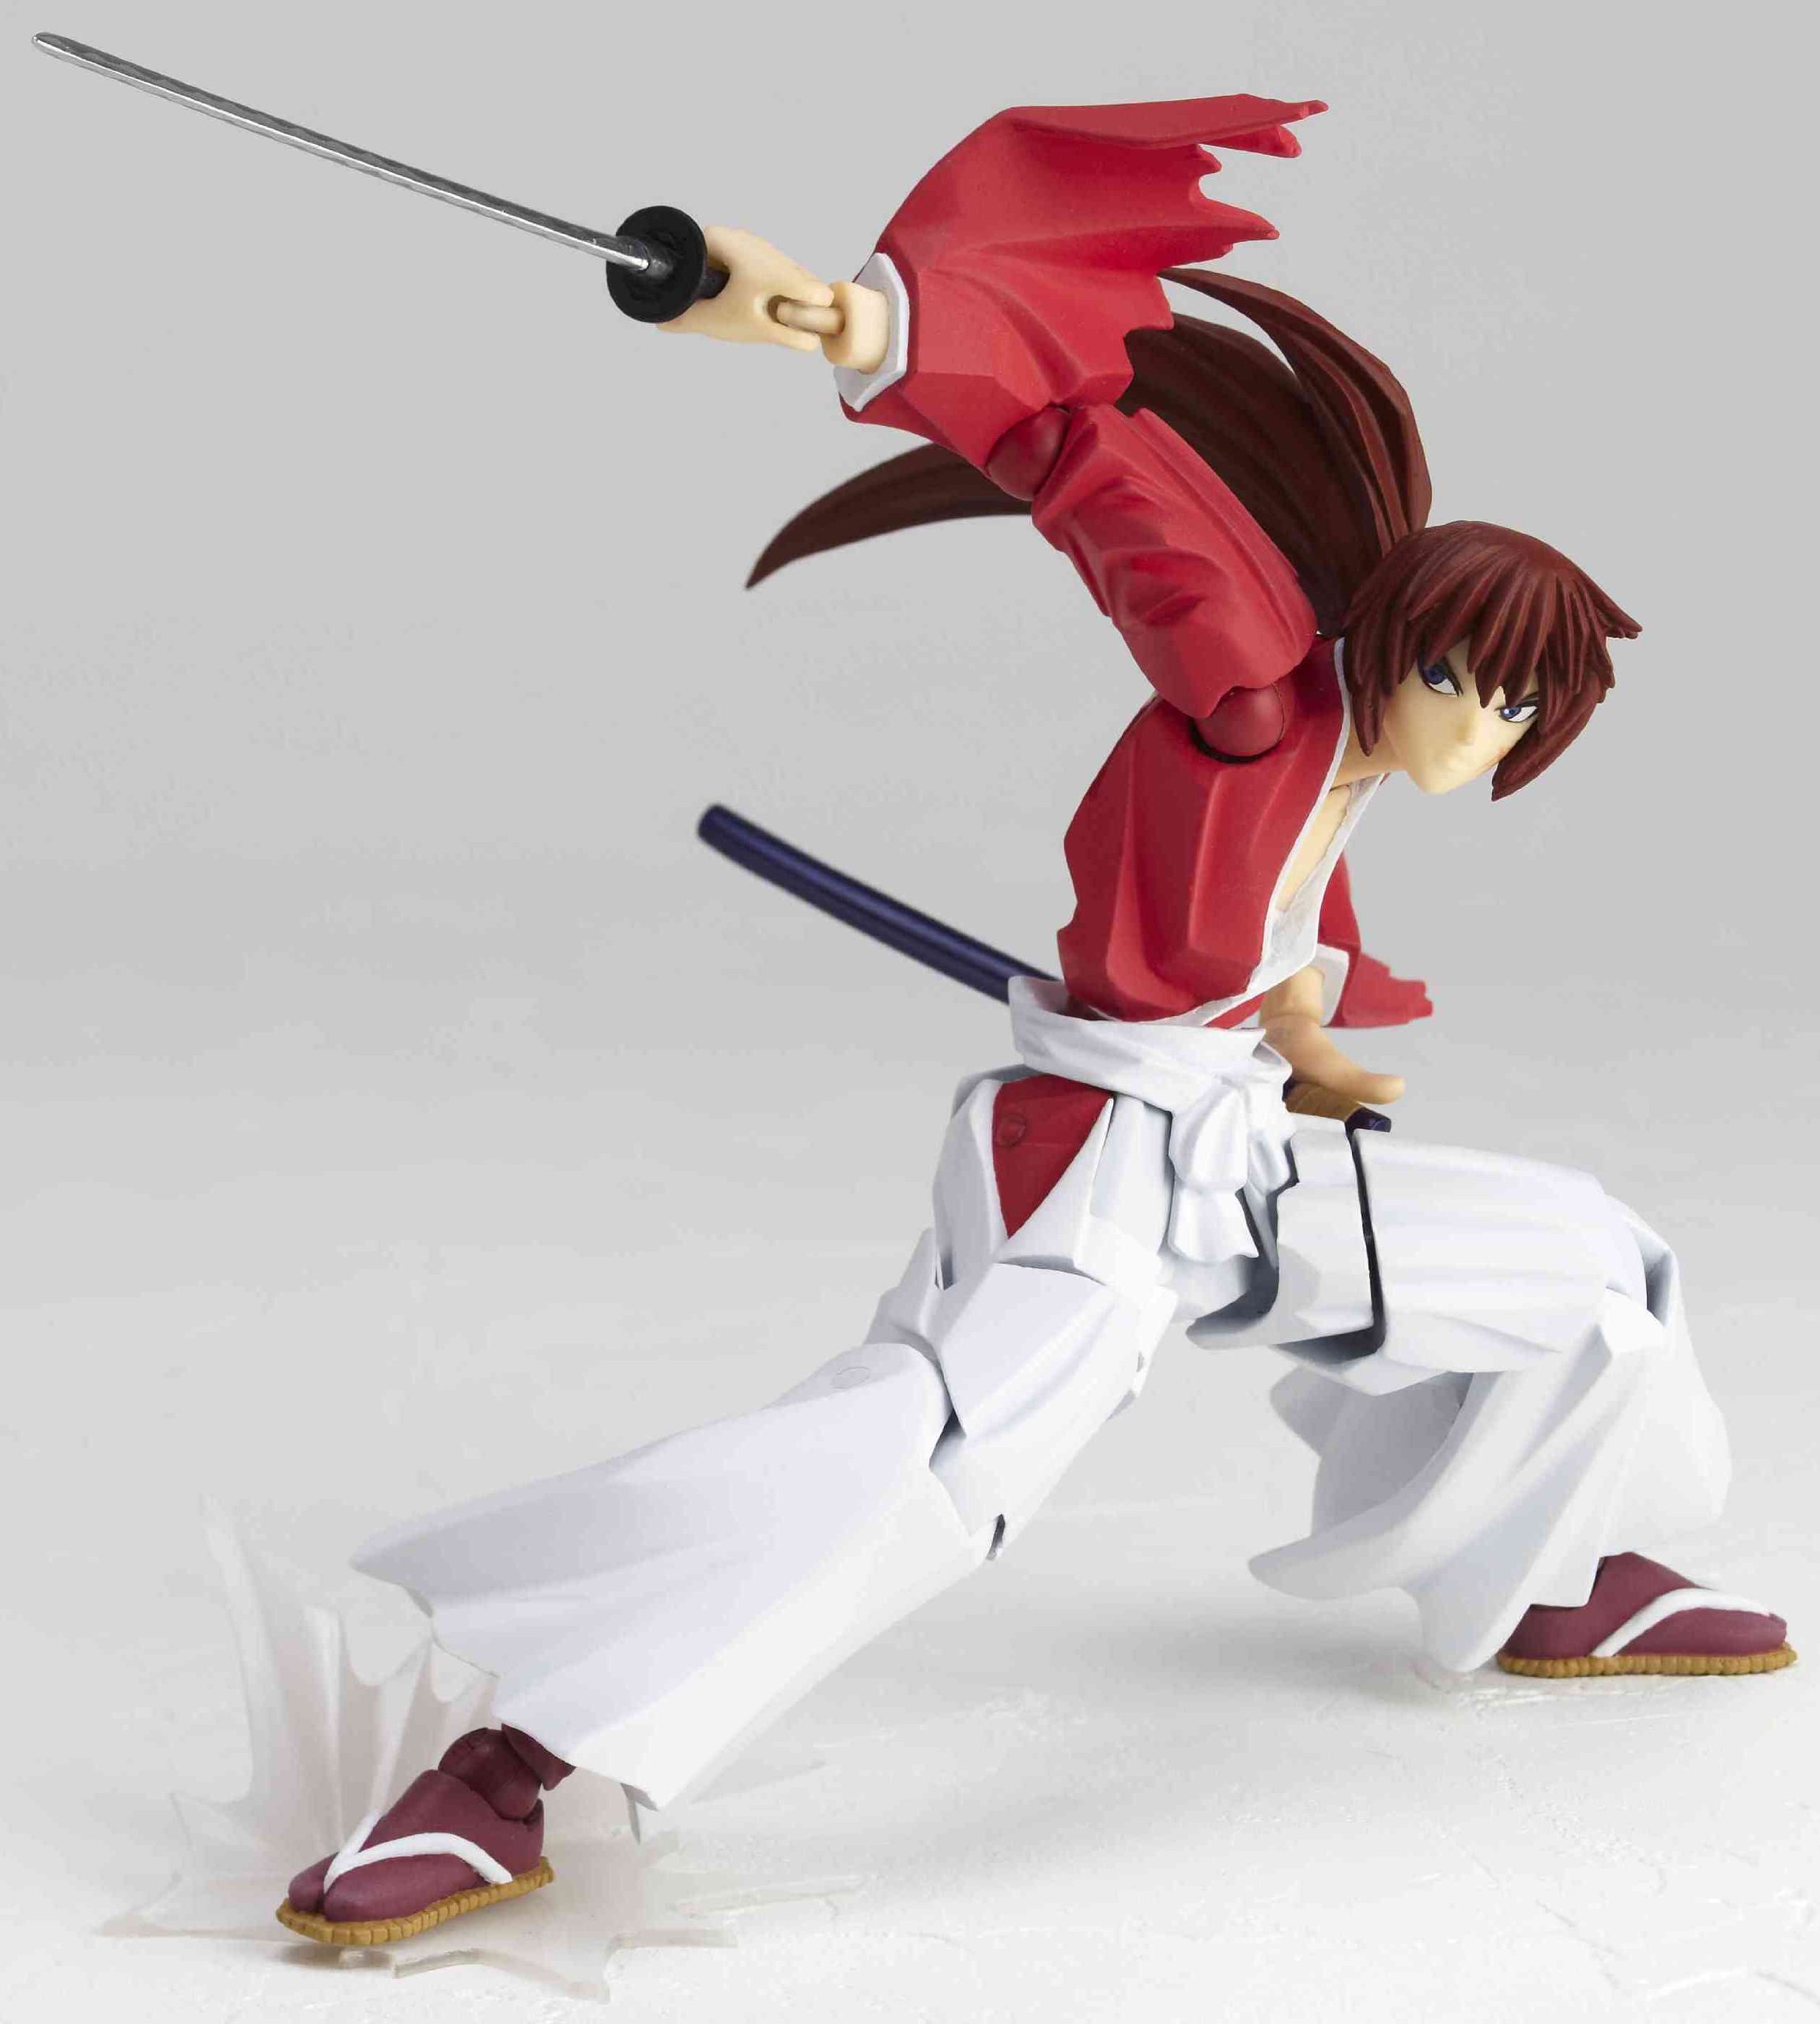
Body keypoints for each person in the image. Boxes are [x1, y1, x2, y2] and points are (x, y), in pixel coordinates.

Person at [277, 93, 1793, 1948]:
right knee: (927, 1471)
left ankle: (1545, 1574)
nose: (1473, 727)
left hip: (1235, 1155)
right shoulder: (1249, 688)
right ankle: (509, 1765)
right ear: (1391, 632)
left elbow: (1275, 928)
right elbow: (1087, 466)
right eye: (1455, 679)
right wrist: (856, 323)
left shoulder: (1348, 770)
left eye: (1513, 710)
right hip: (1094, 1170)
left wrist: (1307, 1047)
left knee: (1587, 1266)